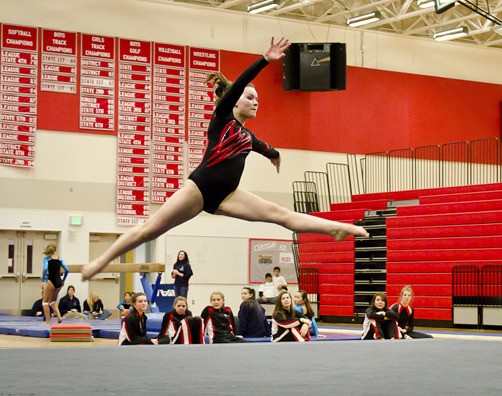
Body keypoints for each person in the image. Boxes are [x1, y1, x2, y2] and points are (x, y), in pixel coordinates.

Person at [80, 37, 368, 281]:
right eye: (250, 97)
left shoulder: (246, 135)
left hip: (228, 195)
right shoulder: (222, 118)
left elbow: (264, 147)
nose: (256, 102)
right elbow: (239, 84)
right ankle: (101, 262)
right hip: (200, 189)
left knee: (280, 215)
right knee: (149, 231)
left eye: (257, 99)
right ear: (234, 99)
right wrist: (265, 60)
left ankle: (335, 228)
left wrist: (275, 156)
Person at [41, 243, 69, 324]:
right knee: (52, 301)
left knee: (45, 301)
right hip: (59, 281)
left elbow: (45, 268)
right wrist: (63, 280)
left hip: (52, 281)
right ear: (55, 250)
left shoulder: (47, 259)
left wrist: (43, 280)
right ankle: (59, 317)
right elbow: (67, 270)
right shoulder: (60, 259)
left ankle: (47, 321)